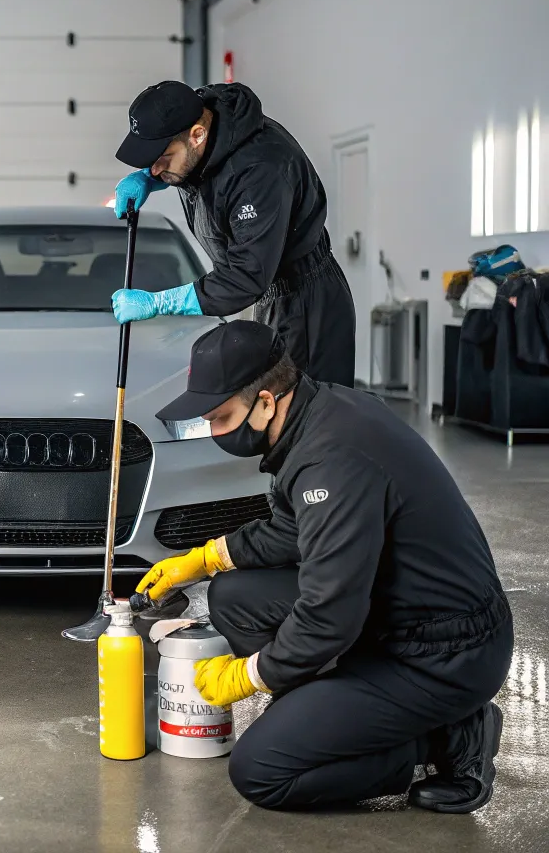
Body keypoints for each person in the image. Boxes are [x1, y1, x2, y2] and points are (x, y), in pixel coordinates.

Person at [139, 320, 513, 813]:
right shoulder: (322, 411)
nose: (213, 432)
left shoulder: (331, 461)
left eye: (221, 417)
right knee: (233, 597)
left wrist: (251, 675)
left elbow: (328, 616)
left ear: (267, 401)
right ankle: (328, 718)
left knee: (261, 771)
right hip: (400, 614)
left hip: (445, 654)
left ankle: (451, 739)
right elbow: (297, 531)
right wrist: (205, 559)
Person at [111, 80, 355, 387]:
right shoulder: (207, 122)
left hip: (306, 305)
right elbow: (202, 166)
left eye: (162, 159)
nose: (157, 169)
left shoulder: (259, 171)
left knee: (307, 420)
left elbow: (244, 277)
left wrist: (159, 303)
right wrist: (149, 176)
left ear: (197, 135)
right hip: (272, 294)